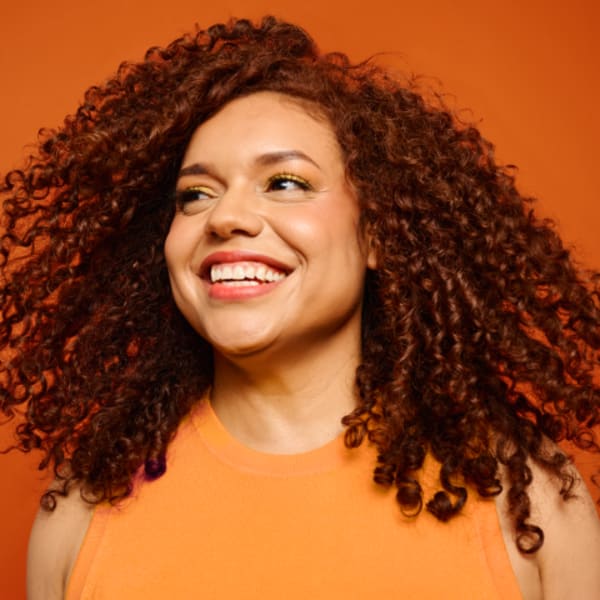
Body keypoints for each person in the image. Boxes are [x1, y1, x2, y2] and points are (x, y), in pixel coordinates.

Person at [1, 16, 599, 599]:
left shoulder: (531, 505)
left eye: (285, 182)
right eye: (196, 194)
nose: (226, 217)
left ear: (379, 235)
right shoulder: (79, 516)